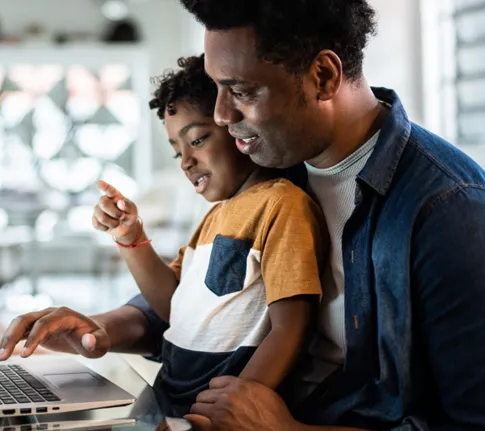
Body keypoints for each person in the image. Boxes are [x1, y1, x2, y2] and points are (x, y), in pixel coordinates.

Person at [0, 0, 485, 430]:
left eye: (241, 90)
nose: (221, 115)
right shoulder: (274, 171)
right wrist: (98, 330)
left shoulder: (456, 218)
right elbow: (199, 294)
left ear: (322, 76)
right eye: (217, 88)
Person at [89, 55, 326, 414]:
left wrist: (240, 403)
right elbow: (173, 306)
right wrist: (129, 236)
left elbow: (291, 328)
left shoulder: (281, 205)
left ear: (236, 126)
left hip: (214, 413)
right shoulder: (214, 217)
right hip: (167, 401)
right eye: (176, 152)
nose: (185, 160)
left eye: (197, 140)